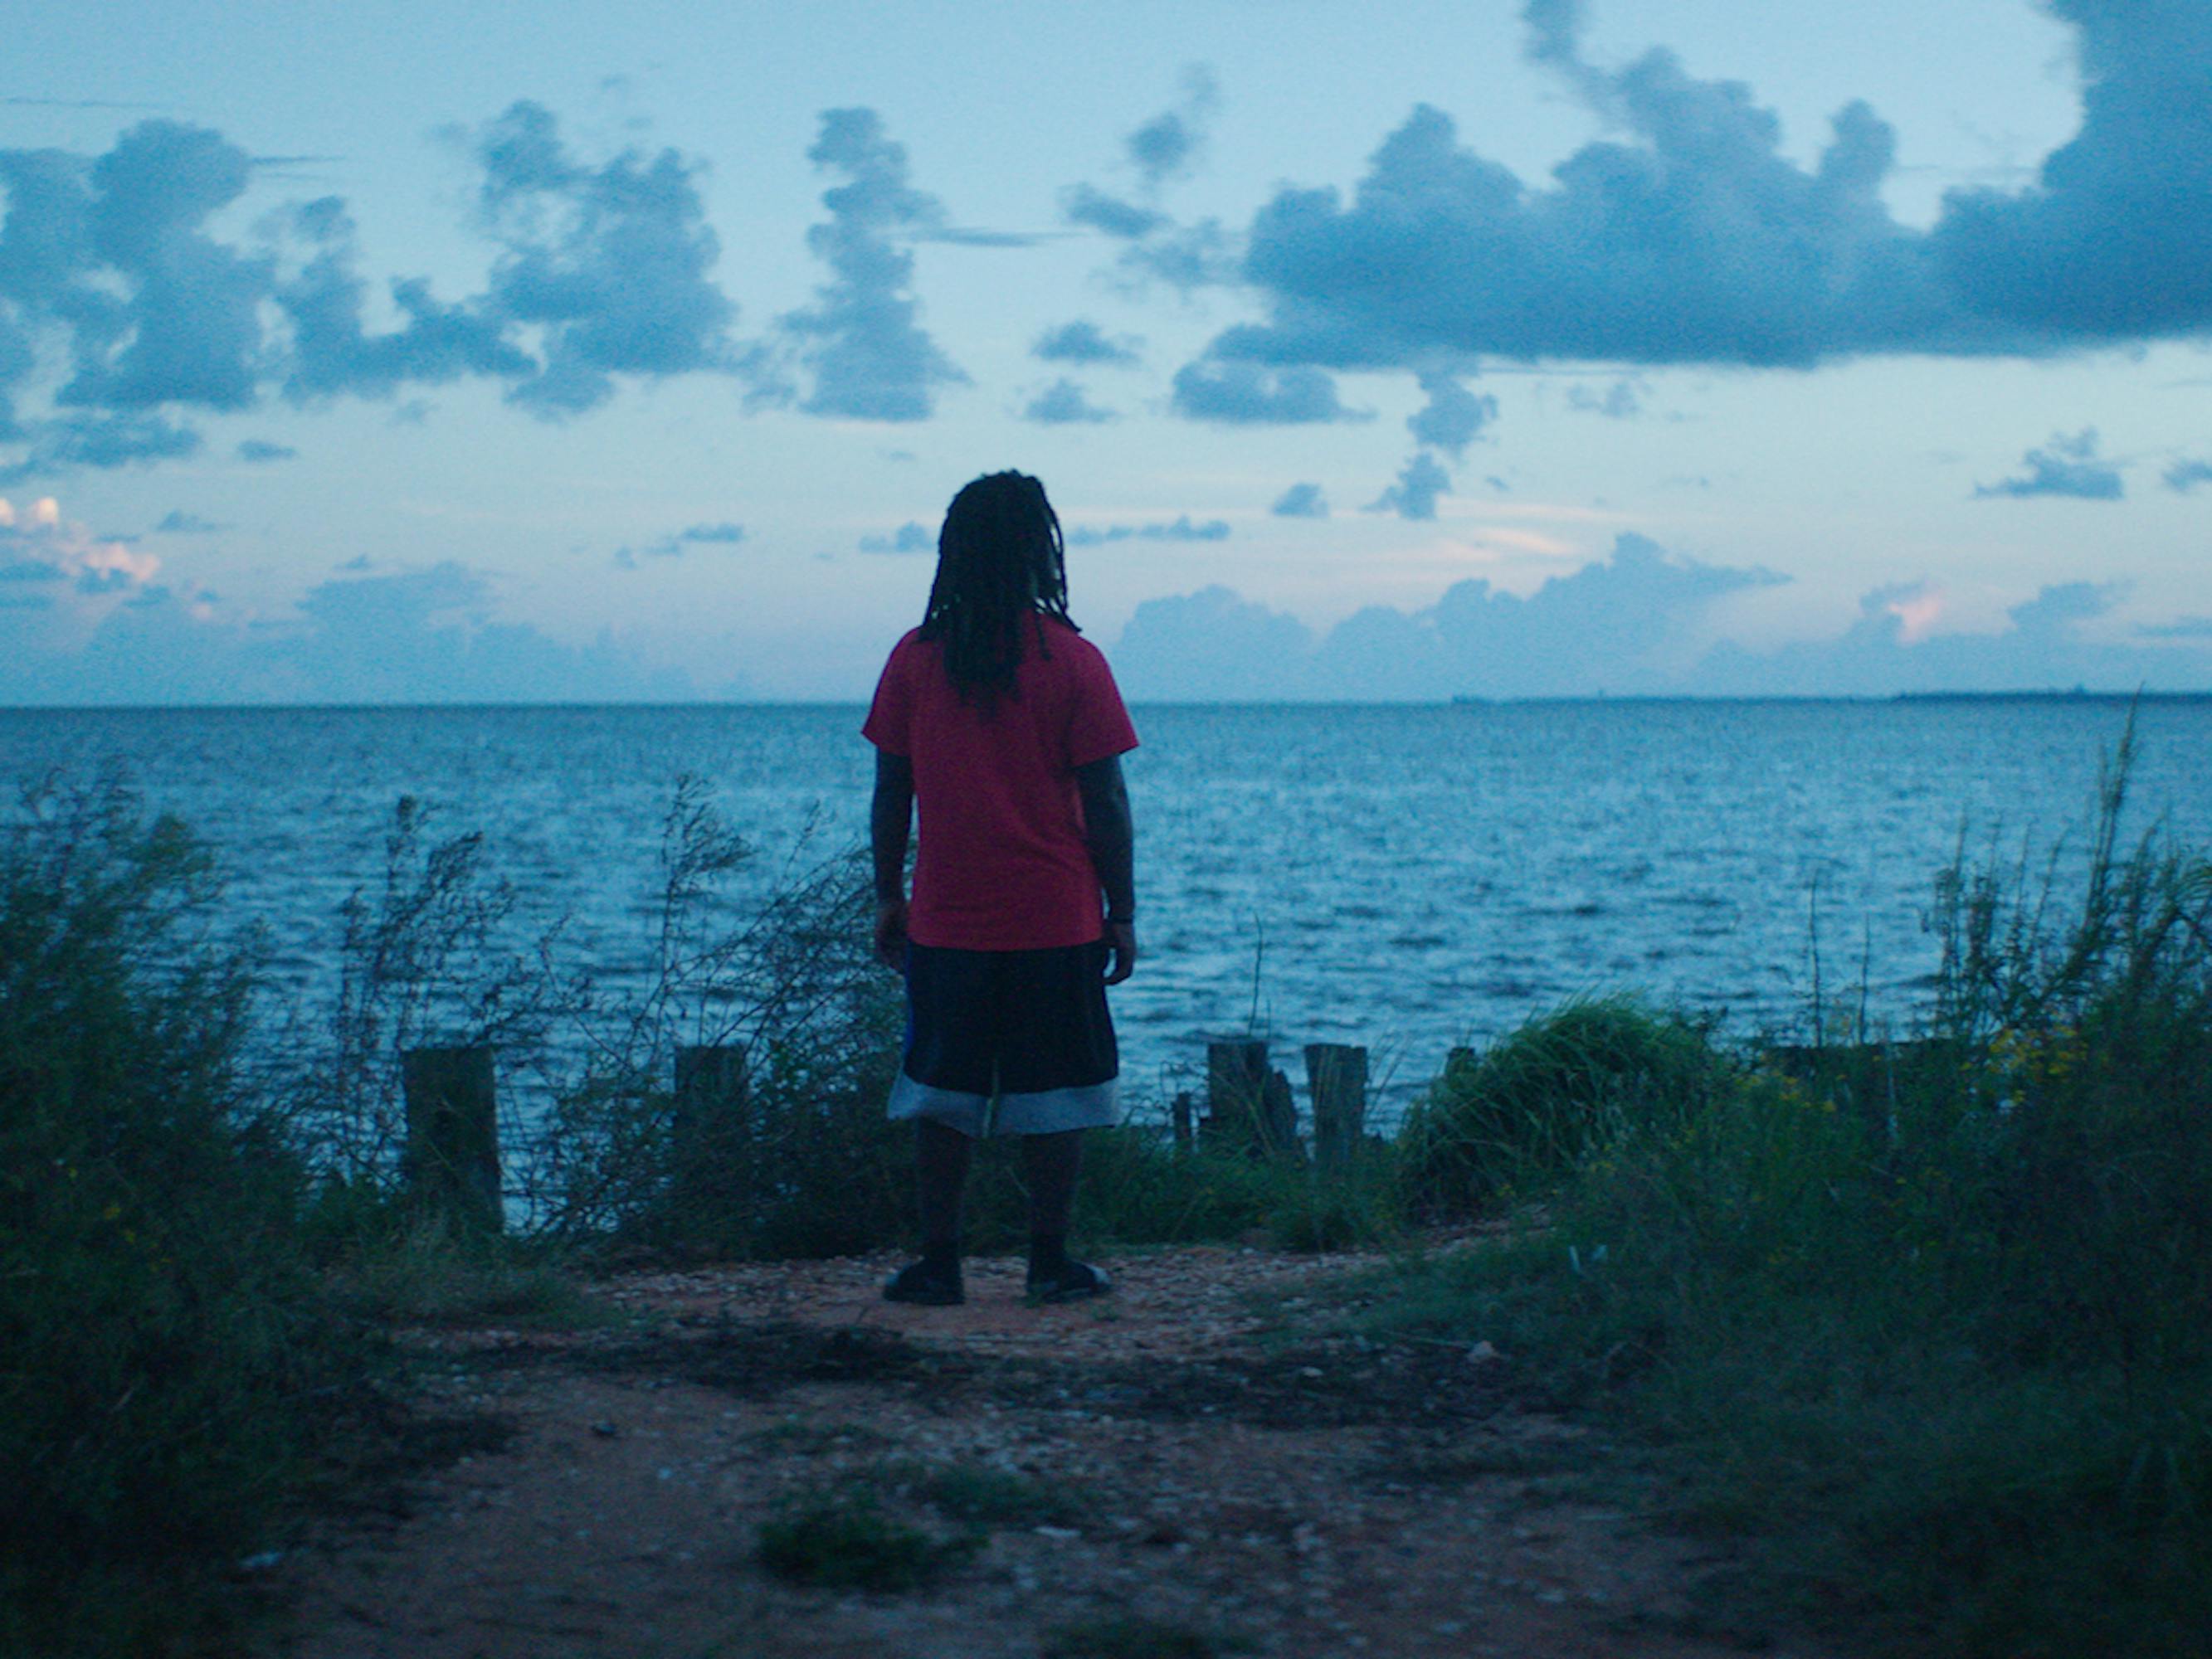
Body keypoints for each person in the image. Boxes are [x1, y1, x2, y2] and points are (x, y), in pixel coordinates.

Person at [862, 469, 1138, 1306]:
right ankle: (1048, 1263)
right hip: (1055, 917)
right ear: (1037, 551)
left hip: (946, 921)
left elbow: (889, 791)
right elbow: (1106, 801)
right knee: (1054, 1094)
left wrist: (886, 894)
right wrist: (1119, 912)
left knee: (940, 1095)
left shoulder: (915, 658)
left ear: (953, 552)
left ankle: (937, 1263)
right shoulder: (1074, 659)